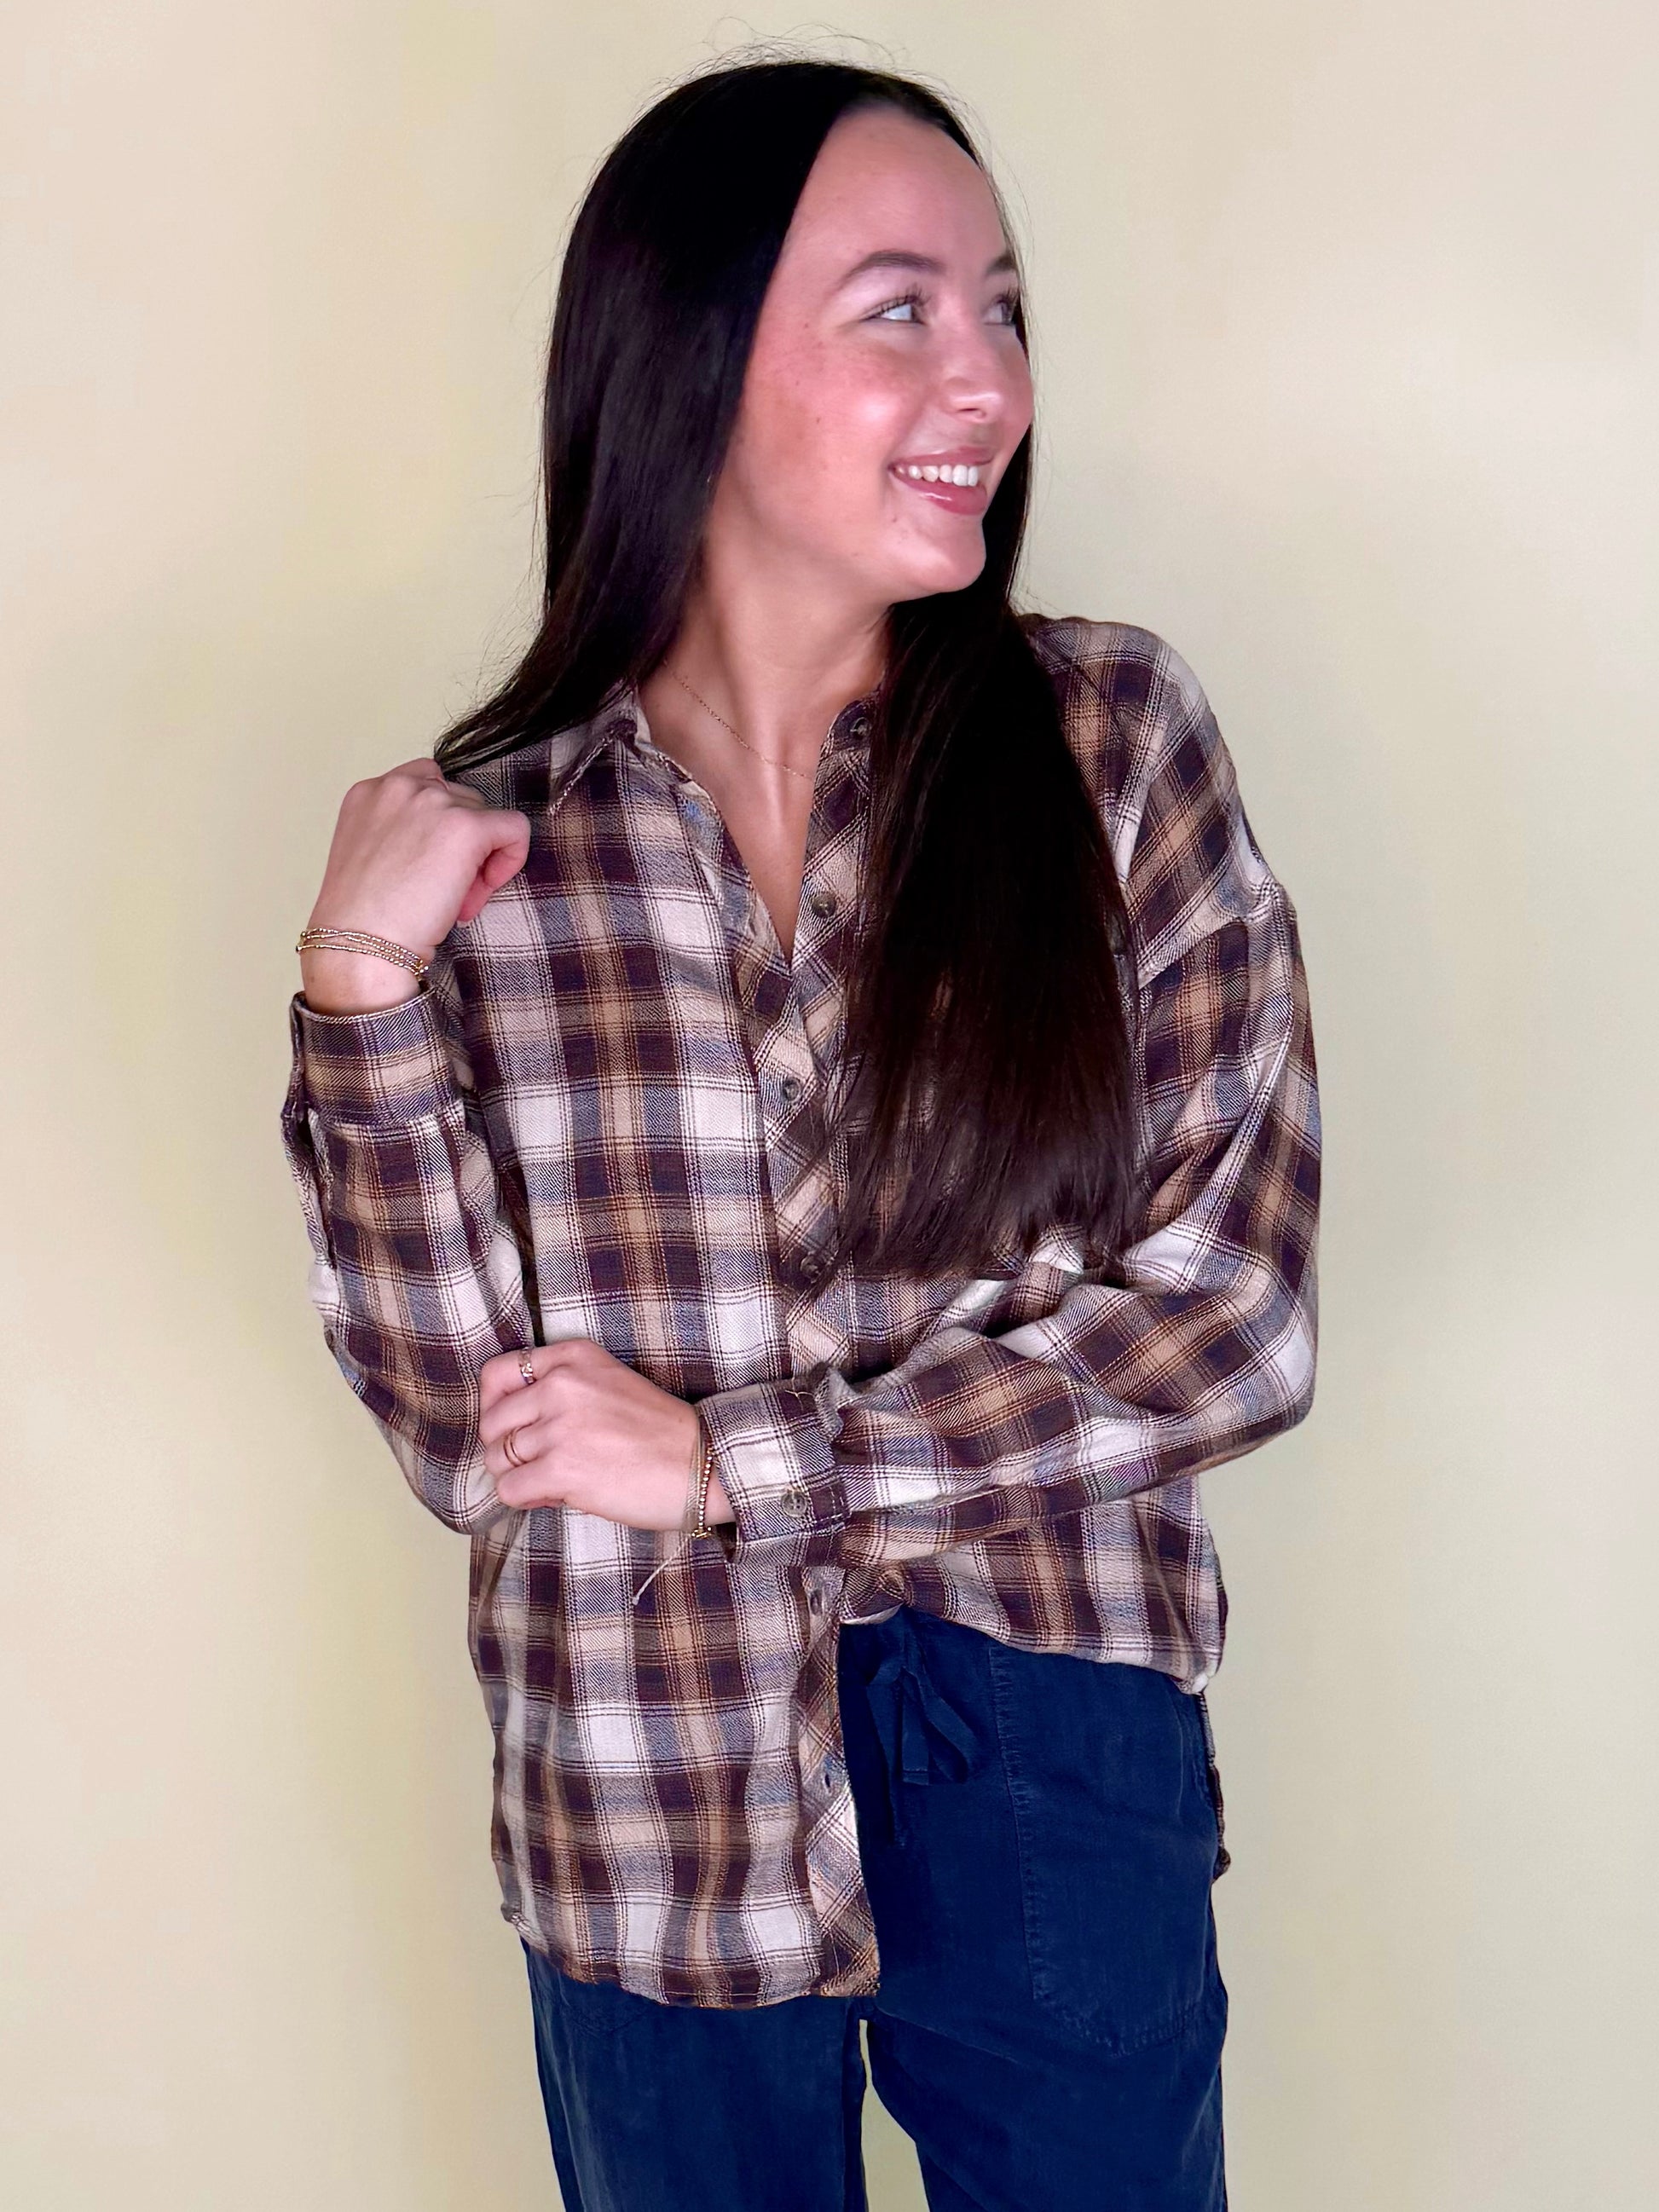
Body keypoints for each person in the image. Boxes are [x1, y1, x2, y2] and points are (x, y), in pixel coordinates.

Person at [279, 54, 1321, 2212]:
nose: (988, 381)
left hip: (1044, 1730)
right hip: (643, 1778)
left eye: (1003, 308)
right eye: (900, 309)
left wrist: (735, 1463)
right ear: (689, 355)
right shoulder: (493, 847)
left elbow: (1236, 1316)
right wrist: (357, 991)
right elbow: (468, 1438)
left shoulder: (1109, 741)